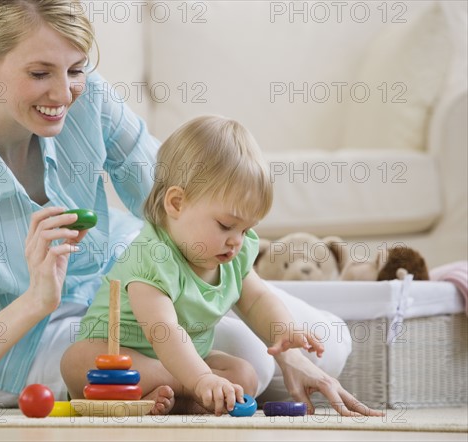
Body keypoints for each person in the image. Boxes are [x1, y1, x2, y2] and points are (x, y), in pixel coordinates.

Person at [0, 0, 377, 417]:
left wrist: (275, 329)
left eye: (75, 70)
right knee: (251, 362)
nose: (62, 95)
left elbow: (187, 209)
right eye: (39, 73)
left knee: (326, 343)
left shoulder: (89, 99)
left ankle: (191, 383)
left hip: (132, 298)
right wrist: (38, 298)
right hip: (33, 342)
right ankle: (187, 384)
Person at [61, 116, 380, 416]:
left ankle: (179, 399)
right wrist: (200, 379)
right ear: (176, 203)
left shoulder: (233, 253)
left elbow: (257, 300)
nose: (237, 241)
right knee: (76, 361)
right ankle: (187, 391)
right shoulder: (151, 256)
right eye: (226, 225)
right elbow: (164, 331)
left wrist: (284, 330)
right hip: (120, 354)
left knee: (245, 374)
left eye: (245, 229)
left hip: (189, 361)